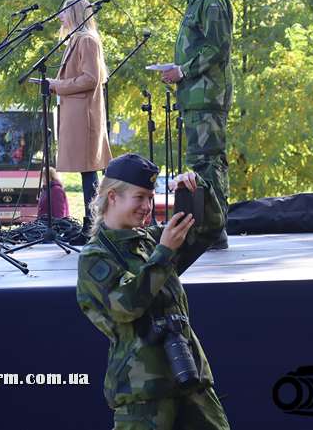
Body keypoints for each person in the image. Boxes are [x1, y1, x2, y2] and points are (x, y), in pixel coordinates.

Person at [77, 153, 230, 430]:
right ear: (113, 197)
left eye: (150, 197)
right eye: (139, 197)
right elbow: (125, 306)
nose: (148, 206)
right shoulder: (95, 257)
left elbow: (208, 229)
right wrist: (165, 252)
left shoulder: (151, 242)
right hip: (144, 392)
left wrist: (198, 190)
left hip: (189, 377)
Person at [162, 0, 233, 250]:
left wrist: (182, 70)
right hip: (197, 95)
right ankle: (211, 229)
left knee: (206, 165)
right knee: (204, 162)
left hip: (206, 95)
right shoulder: (199, 0)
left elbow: (218, 47)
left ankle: (214, 232)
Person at [47, 0, 112, 230]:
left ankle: (92, 226)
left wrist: (57, 85)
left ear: (75, 13)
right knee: (86, 172)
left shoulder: (86, 41)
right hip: (75, 114)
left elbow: (91, 78)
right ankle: (90, 224)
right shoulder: (75, 41)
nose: (59, 16)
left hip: (84, 116)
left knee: (88, 171)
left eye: (64, 12)